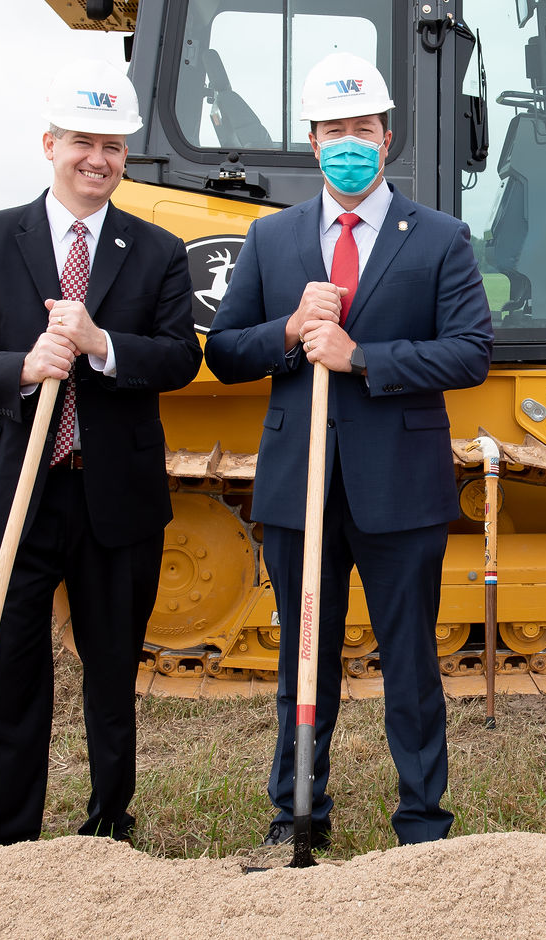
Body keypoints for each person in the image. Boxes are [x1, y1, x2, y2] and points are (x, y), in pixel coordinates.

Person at [204, 51, 492, 850]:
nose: (349, 141)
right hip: (300, 486)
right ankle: (296, 817)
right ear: (313, 139)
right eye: (335, 129)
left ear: (387, 137)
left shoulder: (438, 238)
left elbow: (471, 352)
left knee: (410, 662)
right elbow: (225, 353)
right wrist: (291, 331)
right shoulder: (271, 239)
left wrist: (363, 357)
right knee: (304, 662)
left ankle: (423, 824)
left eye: (363, 127)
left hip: (400, 486)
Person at [0, 59, 202, 845]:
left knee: (112, 675)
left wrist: (102, 345)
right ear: (50, 144)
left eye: (113, 147)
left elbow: (179, 358)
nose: (99, 160)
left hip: (114, 499)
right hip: (18, 491)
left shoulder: (156, 251)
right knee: (11, 673)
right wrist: (22, 366)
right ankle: (7, 839)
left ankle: (109, 827)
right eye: (83, 142)